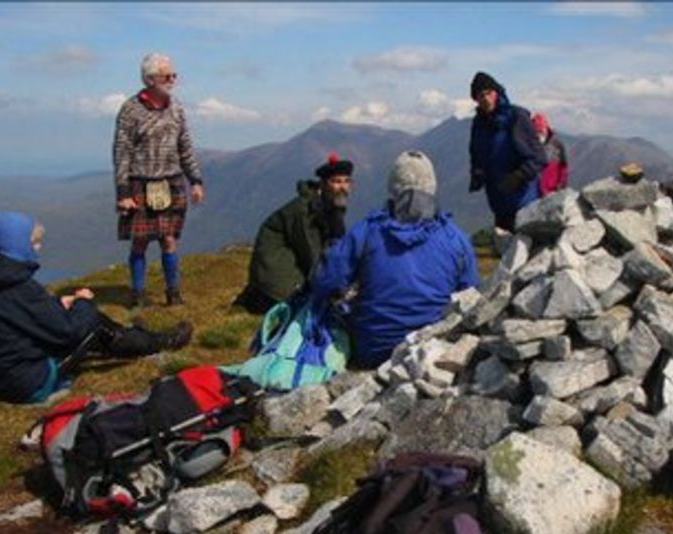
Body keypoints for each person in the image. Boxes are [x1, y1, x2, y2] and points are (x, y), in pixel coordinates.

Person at [0, 212, 193, 404]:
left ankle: (135, 334)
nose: (38, 248)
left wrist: (57, 304)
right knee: (93, 325)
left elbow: (19, 317)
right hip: (29, 384)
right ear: (19, 245)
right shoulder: (19, 288)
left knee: (83, 318)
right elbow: (67, 331)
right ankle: (159, 342)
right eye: (34, 243)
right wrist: (84, 301)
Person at [308, 151, 480, 368]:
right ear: (432, 186)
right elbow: (472, 296)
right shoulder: (455, 238)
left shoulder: (368, 231)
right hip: (432, 350)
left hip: (375, 349)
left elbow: (327, 280)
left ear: (392, 187)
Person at [114, 52, 205, 308]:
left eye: (175, 75)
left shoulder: (176, 107)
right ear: (151, 78)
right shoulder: (131, 110)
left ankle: (173, 292)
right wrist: (123, 192)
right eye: (168, 75)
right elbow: (122, 151)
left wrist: (195, 180)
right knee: (140, 241)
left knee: (169, 239)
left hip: (171, 181)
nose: (173, 80)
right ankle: (139, 294)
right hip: (139, 182)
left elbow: (185, 146)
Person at [234, 154, 354, 314]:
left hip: (290, 268)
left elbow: (336, 247)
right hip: (275, 281)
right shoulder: (304, 212)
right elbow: (311, 256)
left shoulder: (332, 207)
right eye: (337, 181)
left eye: (347, 181)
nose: (343, 187)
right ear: (324, 185)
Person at [468, 71, 547, 232]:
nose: (485, 99)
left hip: (526, 202)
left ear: (496, 92)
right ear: (475, 99)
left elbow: (539, 158)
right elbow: (477, 153)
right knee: (506, 252)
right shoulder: (479, 124)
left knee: (525, 252)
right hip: (499, 202)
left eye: (488, 93)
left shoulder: (517, 117)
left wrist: (519, 176)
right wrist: (478, 174)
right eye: (480, 96)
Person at [532, 113, 569, 197]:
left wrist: (561, 188)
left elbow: (564, 169)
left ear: (547, 130)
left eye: (541, 131)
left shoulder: (558, 146)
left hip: (552, 193)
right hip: (534, 196)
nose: (539, 135)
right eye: (536, 132)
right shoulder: (529, 148)